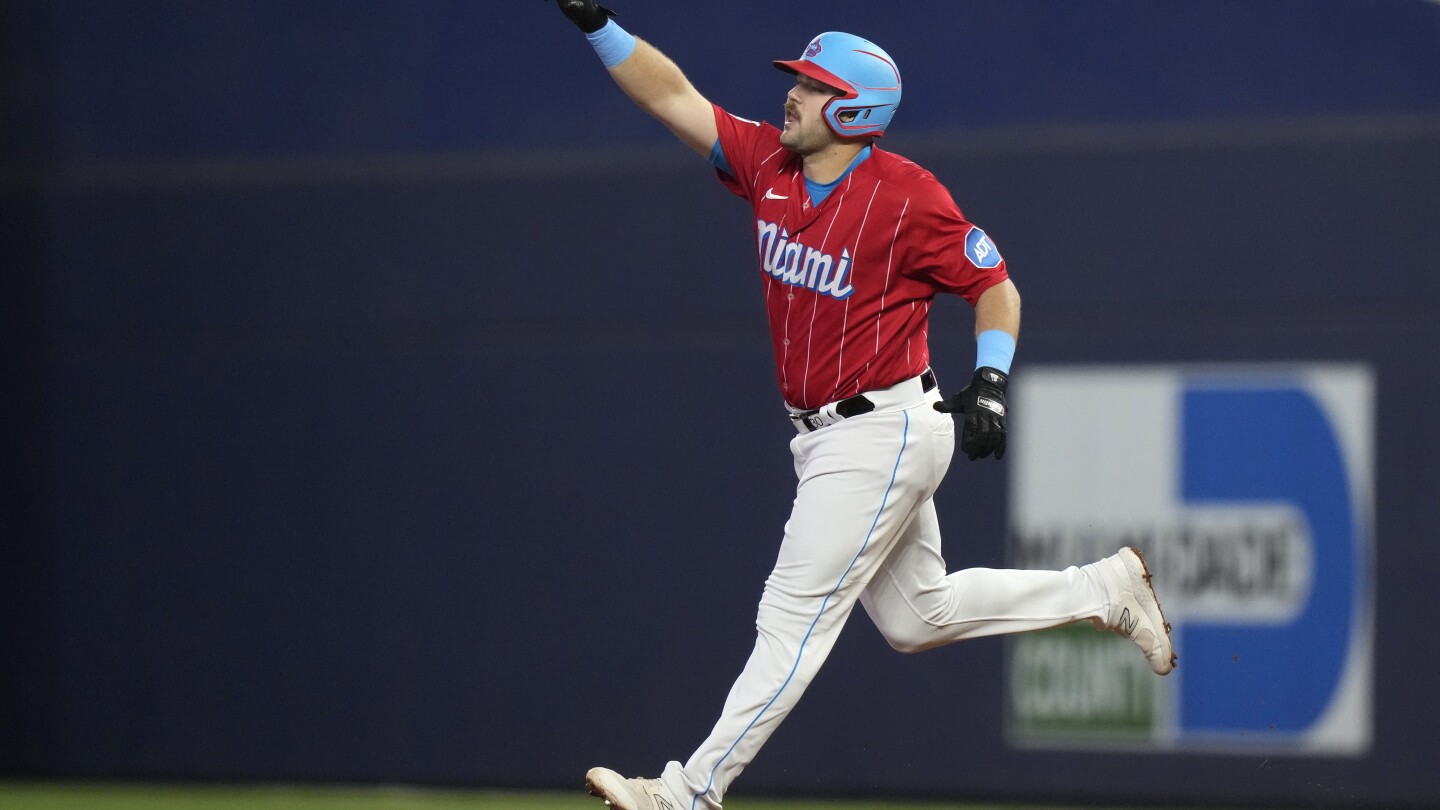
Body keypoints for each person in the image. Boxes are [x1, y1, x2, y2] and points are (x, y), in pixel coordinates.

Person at [549, 4, 1177, 809]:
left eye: (813, 86)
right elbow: (670, 95)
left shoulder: (907, 196)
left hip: (883, 429)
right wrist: (599, 23)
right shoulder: (768, 165)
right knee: (920, 615)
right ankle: (1104, 590)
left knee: (790, 618)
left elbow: (996, 287)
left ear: (854, 109)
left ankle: (688, 792)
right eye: (801, 82)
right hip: (826, 438)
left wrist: (990, 382)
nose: (794, 96)